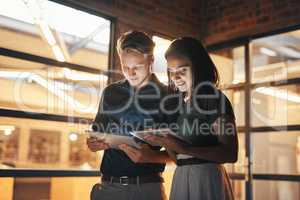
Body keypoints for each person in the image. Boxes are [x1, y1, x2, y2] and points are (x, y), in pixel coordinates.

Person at [144, 37, 238, 200]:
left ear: (198, 67)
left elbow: (230, 153)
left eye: (182, 70)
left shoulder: (214, 99)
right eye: (171, 72)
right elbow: (179, 158)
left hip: (206, 179)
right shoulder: (178, 103)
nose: (175, 77)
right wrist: (165, 142)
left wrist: (185, 149)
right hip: (182, 177)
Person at [87, 30, 173, 200]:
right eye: (125, 67)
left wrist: (152, 157)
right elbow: (95, 137)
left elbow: (182, 154)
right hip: (109, 188)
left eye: (137, 67)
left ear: (151, 60)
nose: (130, 73)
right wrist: (93, 143)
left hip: (148, 190)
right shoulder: (110, 92)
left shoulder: (169, 96)